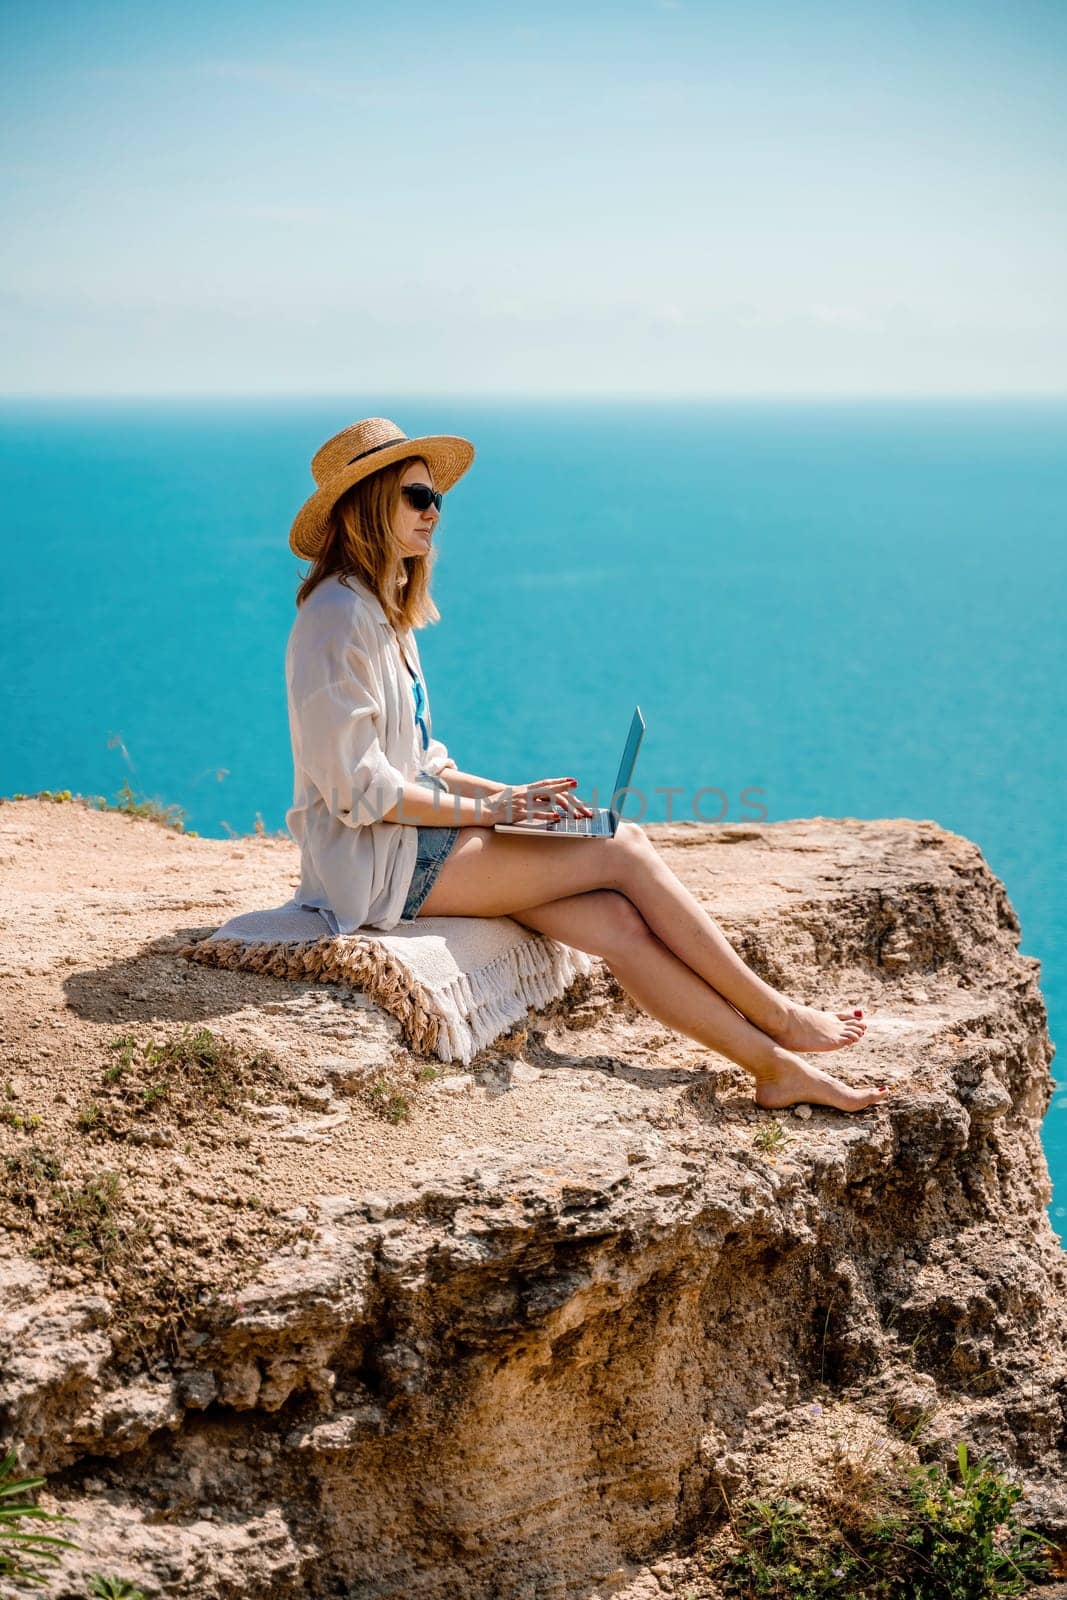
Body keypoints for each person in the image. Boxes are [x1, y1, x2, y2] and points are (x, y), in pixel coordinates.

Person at [286, 417, 888, 1114]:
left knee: (614, 924)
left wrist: (509, 796)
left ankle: (773, 1067)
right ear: (366, 505)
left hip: (415, 843)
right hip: (374, 865)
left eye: (435, 501)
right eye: (415, 497)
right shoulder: (336, 619)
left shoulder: (381, 613)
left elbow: (424, 763)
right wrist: (488, 814)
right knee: (621, 845)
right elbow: (361, 791)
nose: (432, 514)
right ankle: (778, 1016)